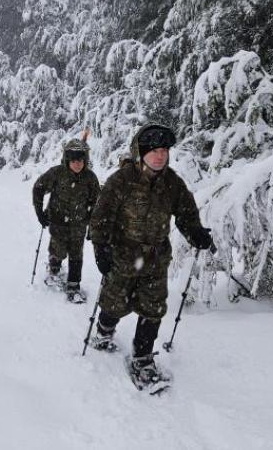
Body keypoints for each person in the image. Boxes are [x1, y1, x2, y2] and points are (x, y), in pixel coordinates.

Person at [88, 123, 213, 390]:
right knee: (114, 304)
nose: (160, 156)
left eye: (164, 150)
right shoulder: (121, 180)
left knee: (153, 308)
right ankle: (104, 331)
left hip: (156, 258)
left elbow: (186, 213)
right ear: (141, 152)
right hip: (123, 256)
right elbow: (101, 217)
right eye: (154, 150)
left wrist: (196, 232)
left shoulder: (172, 183)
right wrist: (101, 249)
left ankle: (143, 358)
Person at [32, 139, 101, 303]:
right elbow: (38, 187)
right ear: (67, 160)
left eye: (81, 160)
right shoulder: (57, 173)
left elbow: (96, 203)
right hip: (57, 222)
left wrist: (92, 226)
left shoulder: (90, 178)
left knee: (76, 255)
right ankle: (54, 269)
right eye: (74, 161)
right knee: (58, 250)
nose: (78, 164)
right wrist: (39, 213)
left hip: (79, 224)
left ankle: (74, 286)